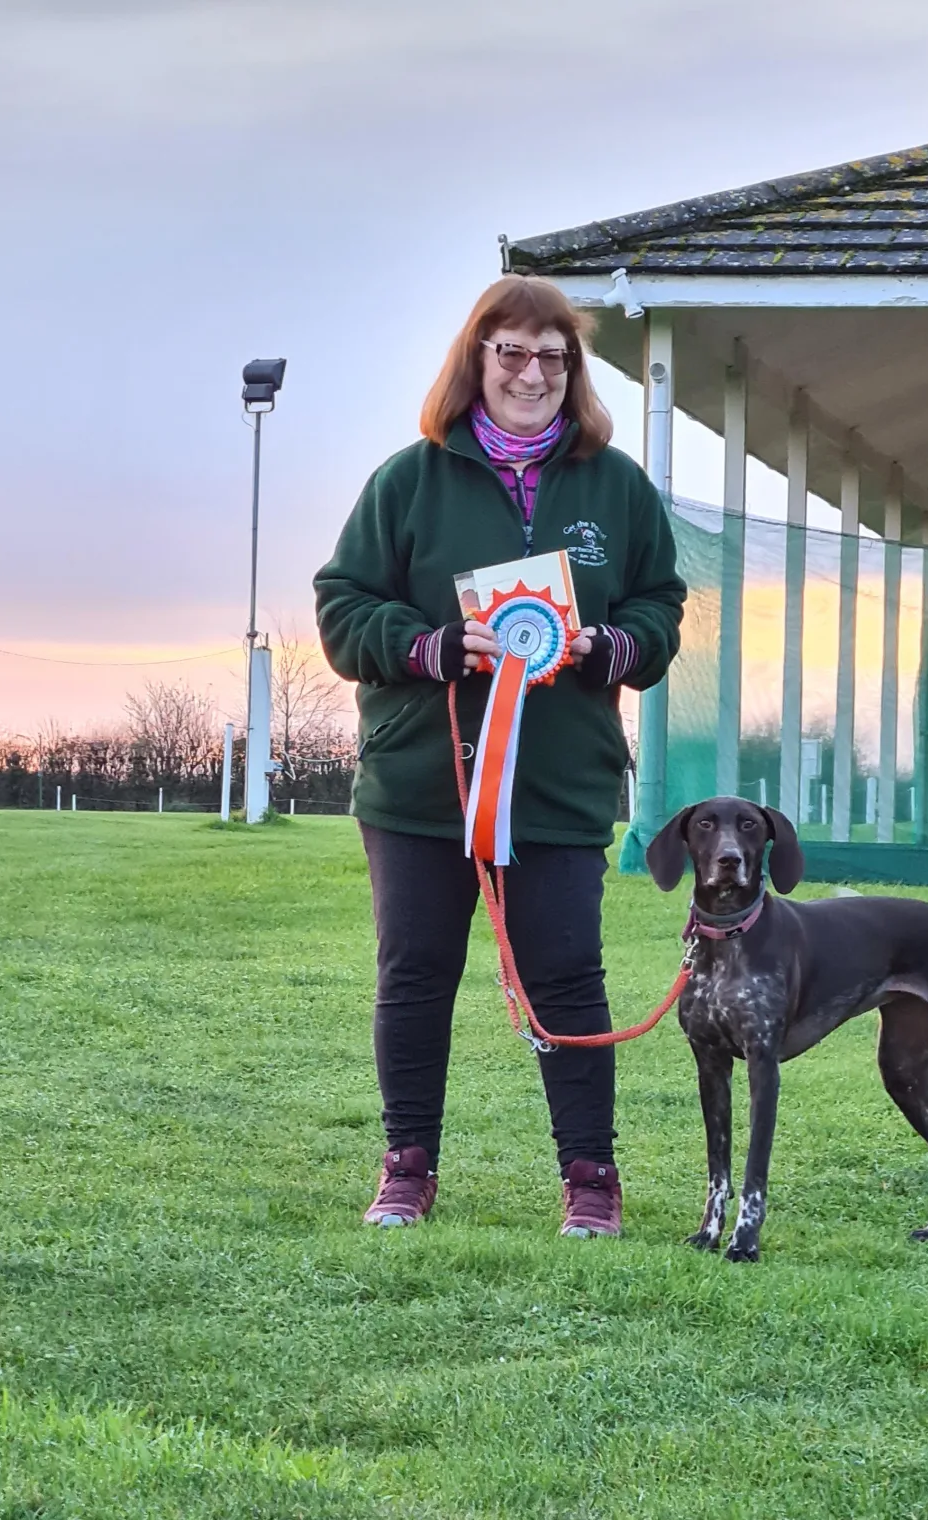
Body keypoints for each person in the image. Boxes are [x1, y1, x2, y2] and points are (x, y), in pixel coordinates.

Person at [313, 275, 686, 1238]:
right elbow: (342, 604)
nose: (533, 372)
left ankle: (590, 1179)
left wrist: (616, 645)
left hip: (560, 783)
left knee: (569, 977)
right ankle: (406, 1167)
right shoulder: (410, 478)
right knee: (415, 971)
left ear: (574, 369)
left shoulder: (617, 485)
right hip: (422, 783)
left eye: (553, 356)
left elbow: (658, 605)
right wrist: (427, 646)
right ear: (475, 360)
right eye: (511, 352)